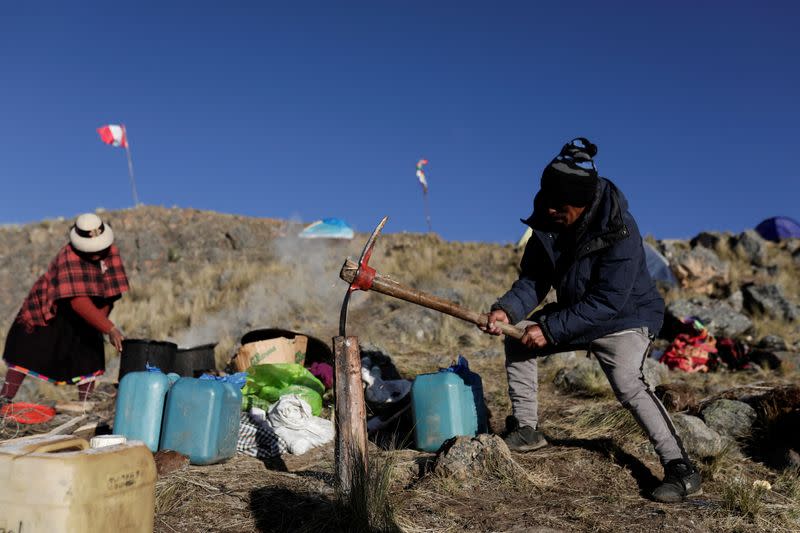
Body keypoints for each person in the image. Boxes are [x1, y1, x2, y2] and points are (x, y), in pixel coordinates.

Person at [481, 138, 701, 503]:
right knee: (517, 336)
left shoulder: (620, 229)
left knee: (628, 381)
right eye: (547, 202)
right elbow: (535, 279)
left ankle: (681, 468)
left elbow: (608, 301)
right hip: (577, 311)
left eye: (560, 206)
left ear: (582, 205)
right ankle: (526, 428)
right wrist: (508, 310)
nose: (550, 210)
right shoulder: (547, 221)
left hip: (627, 317)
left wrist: (549, 329)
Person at [1, 213, 129, 402]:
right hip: (53, 309)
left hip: (89, 312)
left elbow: (110, 293)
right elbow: (78, 301)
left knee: (88, 355)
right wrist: (109, 328)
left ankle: (84, 409)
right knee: (26, 350)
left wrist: (97, 323)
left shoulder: (111, 253)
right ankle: (4, 401)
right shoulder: (68, 256)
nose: (96, 252)